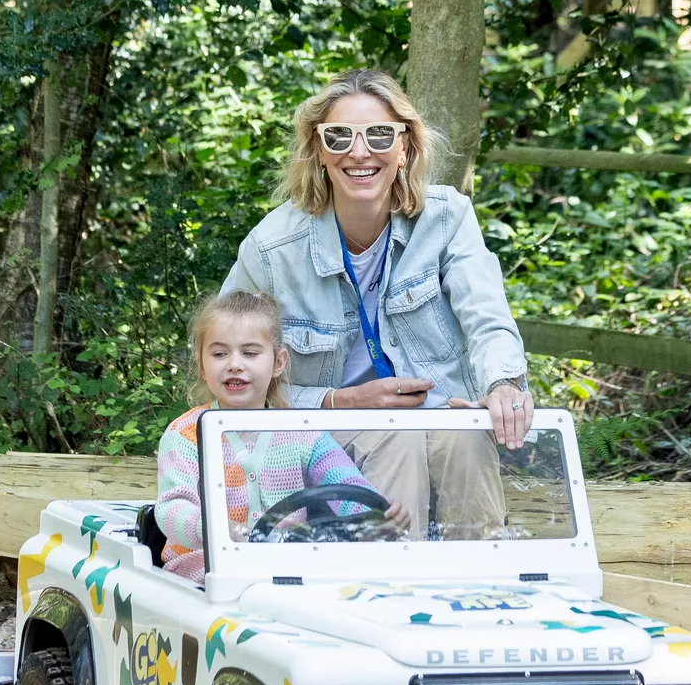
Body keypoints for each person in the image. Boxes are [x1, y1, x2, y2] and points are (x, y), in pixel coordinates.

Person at [222, 69, 532, 537]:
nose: (360, 151)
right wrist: (338, 400)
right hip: (320, 432)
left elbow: (487, 318)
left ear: (405, 147)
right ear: (318, 151)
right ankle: (386, 591)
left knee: (466, 437)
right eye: (339, 136)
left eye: (380, 135)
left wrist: (505, 382)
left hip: (435, 418)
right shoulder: (270, 248)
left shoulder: (448, 218)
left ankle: (484, 587)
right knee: (397, 439)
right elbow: (230, 367)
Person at [154, 289, 388, 582]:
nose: (234, 364)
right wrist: (214, 528)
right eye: (219, 354)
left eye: (250, 353)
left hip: (284, 574)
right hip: (201, 578)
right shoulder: (186, 435)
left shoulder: (301, 432)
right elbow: (171, 509)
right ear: (202, 365)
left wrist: (377, 516)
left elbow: (346, 483)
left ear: (278, 362)